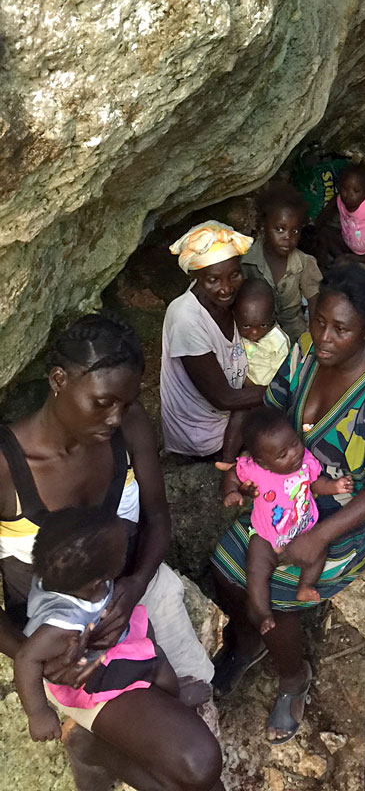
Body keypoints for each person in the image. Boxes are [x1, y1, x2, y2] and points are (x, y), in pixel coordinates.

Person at [0, 314, 221, 791]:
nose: (117, 418)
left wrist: (133, 586)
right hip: (66, 635)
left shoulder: (127, 424)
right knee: (199, 764)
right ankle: (94, 745)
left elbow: (158, 517)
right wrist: (41, 660)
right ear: (59, 381)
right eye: (103, 402)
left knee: (200, 742)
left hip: (139, 591)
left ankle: (94, 747)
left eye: (126, 402)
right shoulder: (5, 468)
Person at [210, 261, 365, 741]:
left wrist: (320, 535)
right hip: (287, 495)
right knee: (225, 568)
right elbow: (272, 408)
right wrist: (252, 464)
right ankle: (248, 640)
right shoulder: (305, 351)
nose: (324, 336)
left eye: (341, 329)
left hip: (343, 515)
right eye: (318, 321)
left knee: (279, 594)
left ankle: (292, 677)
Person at [16, 508, 205, 742]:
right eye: (123, 550)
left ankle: (141, 666)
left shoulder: (60, 571)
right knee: (155, 659)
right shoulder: (62, 623)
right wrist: (38, 713)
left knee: (140, 619)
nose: (126, 532)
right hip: (87, 675)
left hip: (97, 638)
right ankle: (175, 696)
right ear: (100, 579)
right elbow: (26, 659)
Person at [215, 409, 353, 634]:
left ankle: (305, 585)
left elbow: (315, 484)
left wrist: (334, 487)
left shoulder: (305, 460)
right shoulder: (255, 470)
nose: (294, 454)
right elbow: (232, 473)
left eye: (295, 443)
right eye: (282, 455)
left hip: (304, 529)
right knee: (256, 573)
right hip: (266, 536)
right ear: (263, 463)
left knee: (320, 551)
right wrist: (232, 491)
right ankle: (262, 613)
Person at [161, 220, 265, 461]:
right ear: (195, 277)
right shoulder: (185, 318)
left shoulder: (234, 301)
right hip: (204, 437)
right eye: (213, 280)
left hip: (232, 412)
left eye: (234, 275)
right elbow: (223, 398)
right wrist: (286, 390)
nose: (226, 288)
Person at [241, 183, 322, 342]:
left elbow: (314, 300)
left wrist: (313, 335)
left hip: (294, 332)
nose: (287, 237)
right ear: (263, 227)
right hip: (257, 334)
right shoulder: (246, 260)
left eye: (295, 231)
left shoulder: (304, 263)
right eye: (279, 229)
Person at [234, 279, 291, 387]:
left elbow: (281, 376)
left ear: (272, 317)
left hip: (265, 391)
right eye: (246, 326)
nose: (255, 332)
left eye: (263, 325)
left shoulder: (278, 341)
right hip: (241, 383)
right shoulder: (235, 330)